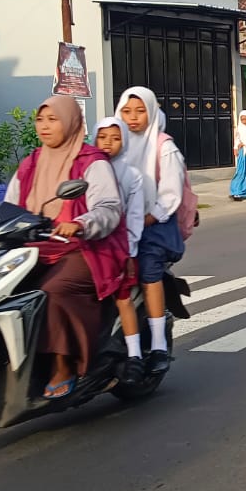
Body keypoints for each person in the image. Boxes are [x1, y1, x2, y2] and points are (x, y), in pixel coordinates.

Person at [3, 97, 127, 398]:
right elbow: (8, 206)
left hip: (84, 248)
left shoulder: (91, 161)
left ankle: (64, 366)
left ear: (70, 122)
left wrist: (81, 223)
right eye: (40, 120)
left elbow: (110, 208)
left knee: (51, 292)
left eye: (53, 119)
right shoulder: (31, 162)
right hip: (35, 247)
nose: (44, 126)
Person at [116, 86, 188, 376]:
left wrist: (145, 218)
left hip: (154, 225)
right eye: (126, 111)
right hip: (118, 225)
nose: (132, 118)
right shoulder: (115, 142)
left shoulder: (163, 146)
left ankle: (157, 346)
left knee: (147, 271)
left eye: (140, 110)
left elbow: (170, 195)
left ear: (152, 112)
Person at [94, 115, 148, 386]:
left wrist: (129, 251)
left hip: (117, 244)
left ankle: (135, 355)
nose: (108, 144)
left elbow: (135, 217)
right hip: (90, 241)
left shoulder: (131, 175)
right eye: (102, 137)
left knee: (122, 297)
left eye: (116, 139)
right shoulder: (87, 168)